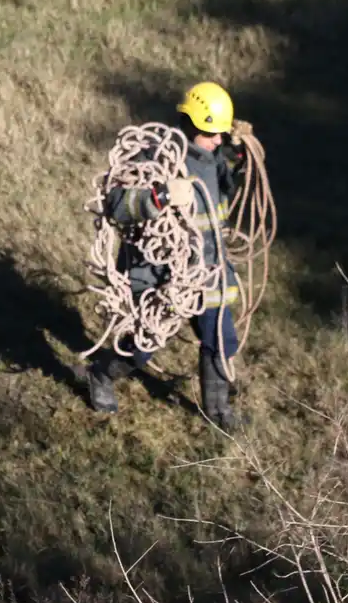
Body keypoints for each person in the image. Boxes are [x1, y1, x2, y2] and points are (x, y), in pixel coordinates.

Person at [86, 81, 243, 429]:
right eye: (210, 133)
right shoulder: (155, 157)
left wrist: (242, 161)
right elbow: (116, 206)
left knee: (221, 340)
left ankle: (217, 411)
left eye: (221, 134)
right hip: (160, 275)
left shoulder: (215, 158)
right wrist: (158, 197)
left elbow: (228, 190)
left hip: (207, 270)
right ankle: (101, 374)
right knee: (143, 347)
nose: (218, 140)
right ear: (190, 124)